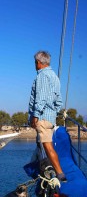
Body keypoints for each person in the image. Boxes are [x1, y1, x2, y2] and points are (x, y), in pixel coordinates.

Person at [28, 50, 66, 182]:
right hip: (50, 117)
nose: (35, 64)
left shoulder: (43, 76)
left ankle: (60, 174)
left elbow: (41, 97)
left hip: (43, 117)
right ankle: (51, 170)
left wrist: (36, 115)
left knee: (47, 146)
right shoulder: (54, 76)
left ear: (39, 62)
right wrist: (54, 111)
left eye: (35, 62)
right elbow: (59, 100)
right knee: (45, 146)